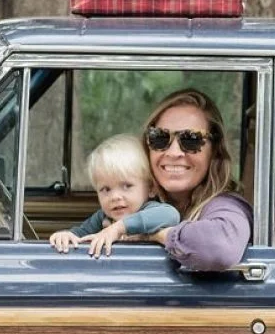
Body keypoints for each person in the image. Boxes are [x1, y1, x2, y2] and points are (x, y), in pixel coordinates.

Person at [143, 88, 251, 270]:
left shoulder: (227, 206)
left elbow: (220, 249)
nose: (173, 152)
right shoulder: (133, 199)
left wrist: (154, 233)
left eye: (191, 140)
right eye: (160, 138)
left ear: (215, 150)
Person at [48, 134, 180, 258]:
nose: (115, 197)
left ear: (151, 188)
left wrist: (118, 228)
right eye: (106, 189)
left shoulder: (150, 209)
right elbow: (80, 233)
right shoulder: (103, 217)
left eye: (127, 186)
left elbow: (171, 214)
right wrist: (66, 236)